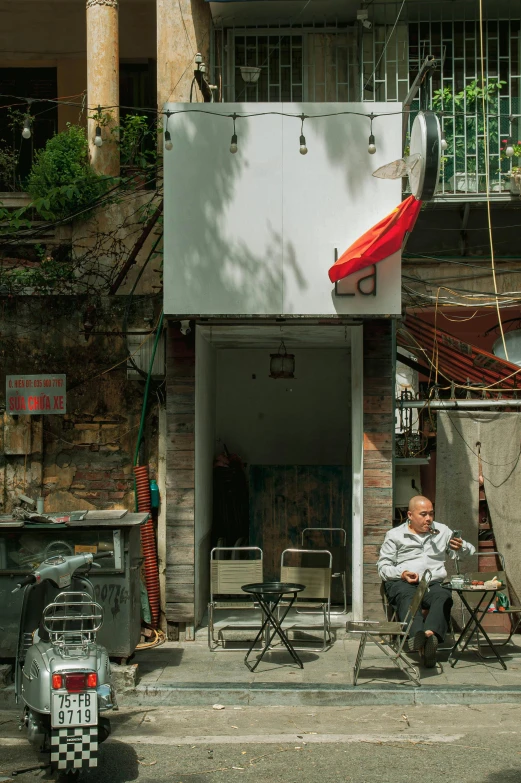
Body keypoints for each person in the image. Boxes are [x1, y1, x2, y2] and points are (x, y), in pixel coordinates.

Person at [377, 495, 476, 668]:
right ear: (410, 515)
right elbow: (383, 567)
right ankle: (423, 640)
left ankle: (426, 637)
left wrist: (461, 547)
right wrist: (402, 573)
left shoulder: (442, 531)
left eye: (431, 514)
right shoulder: (395, 535)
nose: (429, 519)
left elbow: (470, 552)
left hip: (432, 582)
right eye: (423, 514)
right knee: (408, 598)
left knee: (443, 596)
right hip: (403, 582)